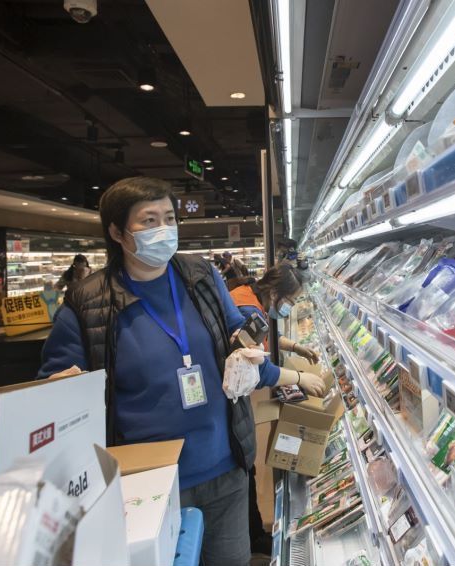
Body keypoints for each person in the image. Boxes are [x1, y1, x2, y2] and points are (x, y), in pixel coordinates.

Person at [38, 177, 325, 566]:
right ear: (117, 232)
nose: (163, 229)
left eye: (169, 218)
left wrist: (248, 349)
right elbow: (53, 388)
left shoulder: (200, 276)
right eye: (149, 220)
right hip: (147, 486)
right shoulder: (86, 303)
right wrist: (60, 391)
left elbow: (235, 329)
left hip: (225, 468)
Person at [228, 262, 321, 555]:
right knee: (242, 469)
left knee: (245, 470)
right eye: (291, 300)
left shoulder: (250, 297)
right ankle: (252, 540)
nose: (290, 306)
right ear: (274, 293)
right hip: (228, 404)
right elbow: (260, 370)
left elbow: (263, 337)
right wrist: (300, 378)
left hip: (230, 401)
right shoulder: (248, 310)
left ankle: (254, 535)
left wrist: (294, 347)